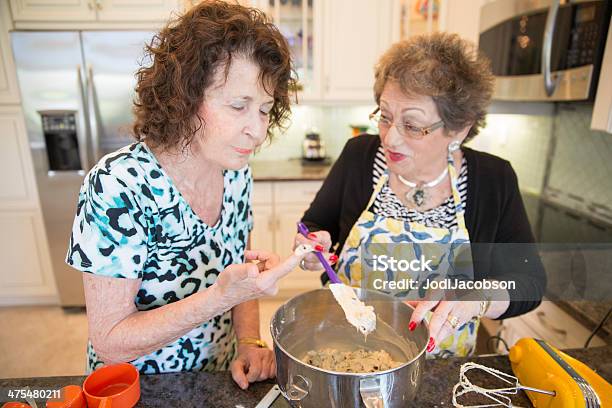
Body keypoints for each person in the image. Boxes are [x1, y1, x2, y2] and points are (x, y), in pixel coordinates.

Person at [66, 0, 305, 388]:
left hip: (220, 377)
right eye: (238, 105)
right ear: (184, 96)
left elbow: (238, 268)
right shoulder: (117, 185)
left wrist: (247, 341)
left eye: (264, 109)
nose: (257, 131)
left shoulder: (236, 171)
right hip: (138, 389)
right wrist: (219, 296)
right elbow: (109, 341)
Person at [296, 32, 546, 358]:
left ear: (459, 128)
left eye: (413, 126)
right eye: (385, 117)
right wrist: (313, 245)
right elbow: (314, 224)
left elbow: (529, 280)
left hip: (443, 367)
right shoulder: (359, 156)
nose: (391, 140)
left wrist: (480, 296)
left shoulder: (492, 179)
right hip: (347, 351)